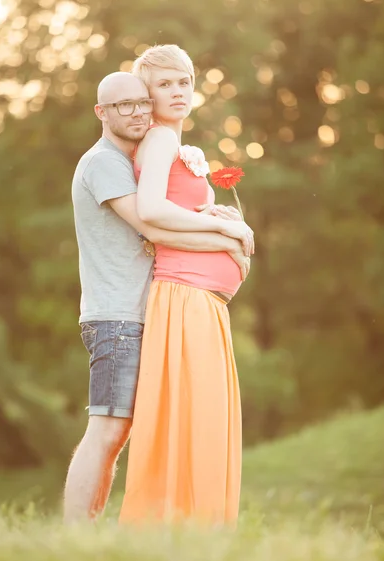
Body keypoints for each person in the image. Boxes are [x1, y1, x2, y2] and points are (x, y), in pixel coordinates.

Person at [64, 71, 252, 523]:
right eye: (122, 105)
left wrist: (210, 214)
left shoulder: (136, 156)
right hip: (117, 315)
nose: (136, 112)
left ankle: (92, 531)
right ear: (101, 113)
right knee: (108, 427)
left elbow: (167, 219)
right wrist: (227, 236)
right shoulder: (104, 162)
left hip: (141, 312)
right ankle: (74, 535)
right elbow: (151, 225)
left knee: (121, 428)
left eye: (139, 102)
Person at [119, 45, 254, 526]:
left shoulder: (174, 144)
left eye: (184, 82)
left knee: (204, 415)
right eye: (164, 84)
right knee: (196, 417)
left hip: (202, 299)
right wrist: (228, 231)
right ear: (147, 95)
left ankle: (198, 529)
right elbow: (151, 210)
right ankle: (182, 525)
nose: (177, 92)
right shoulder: (158, 140)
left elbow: (173, 206)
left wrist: (213, 214)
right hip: (184, 295)